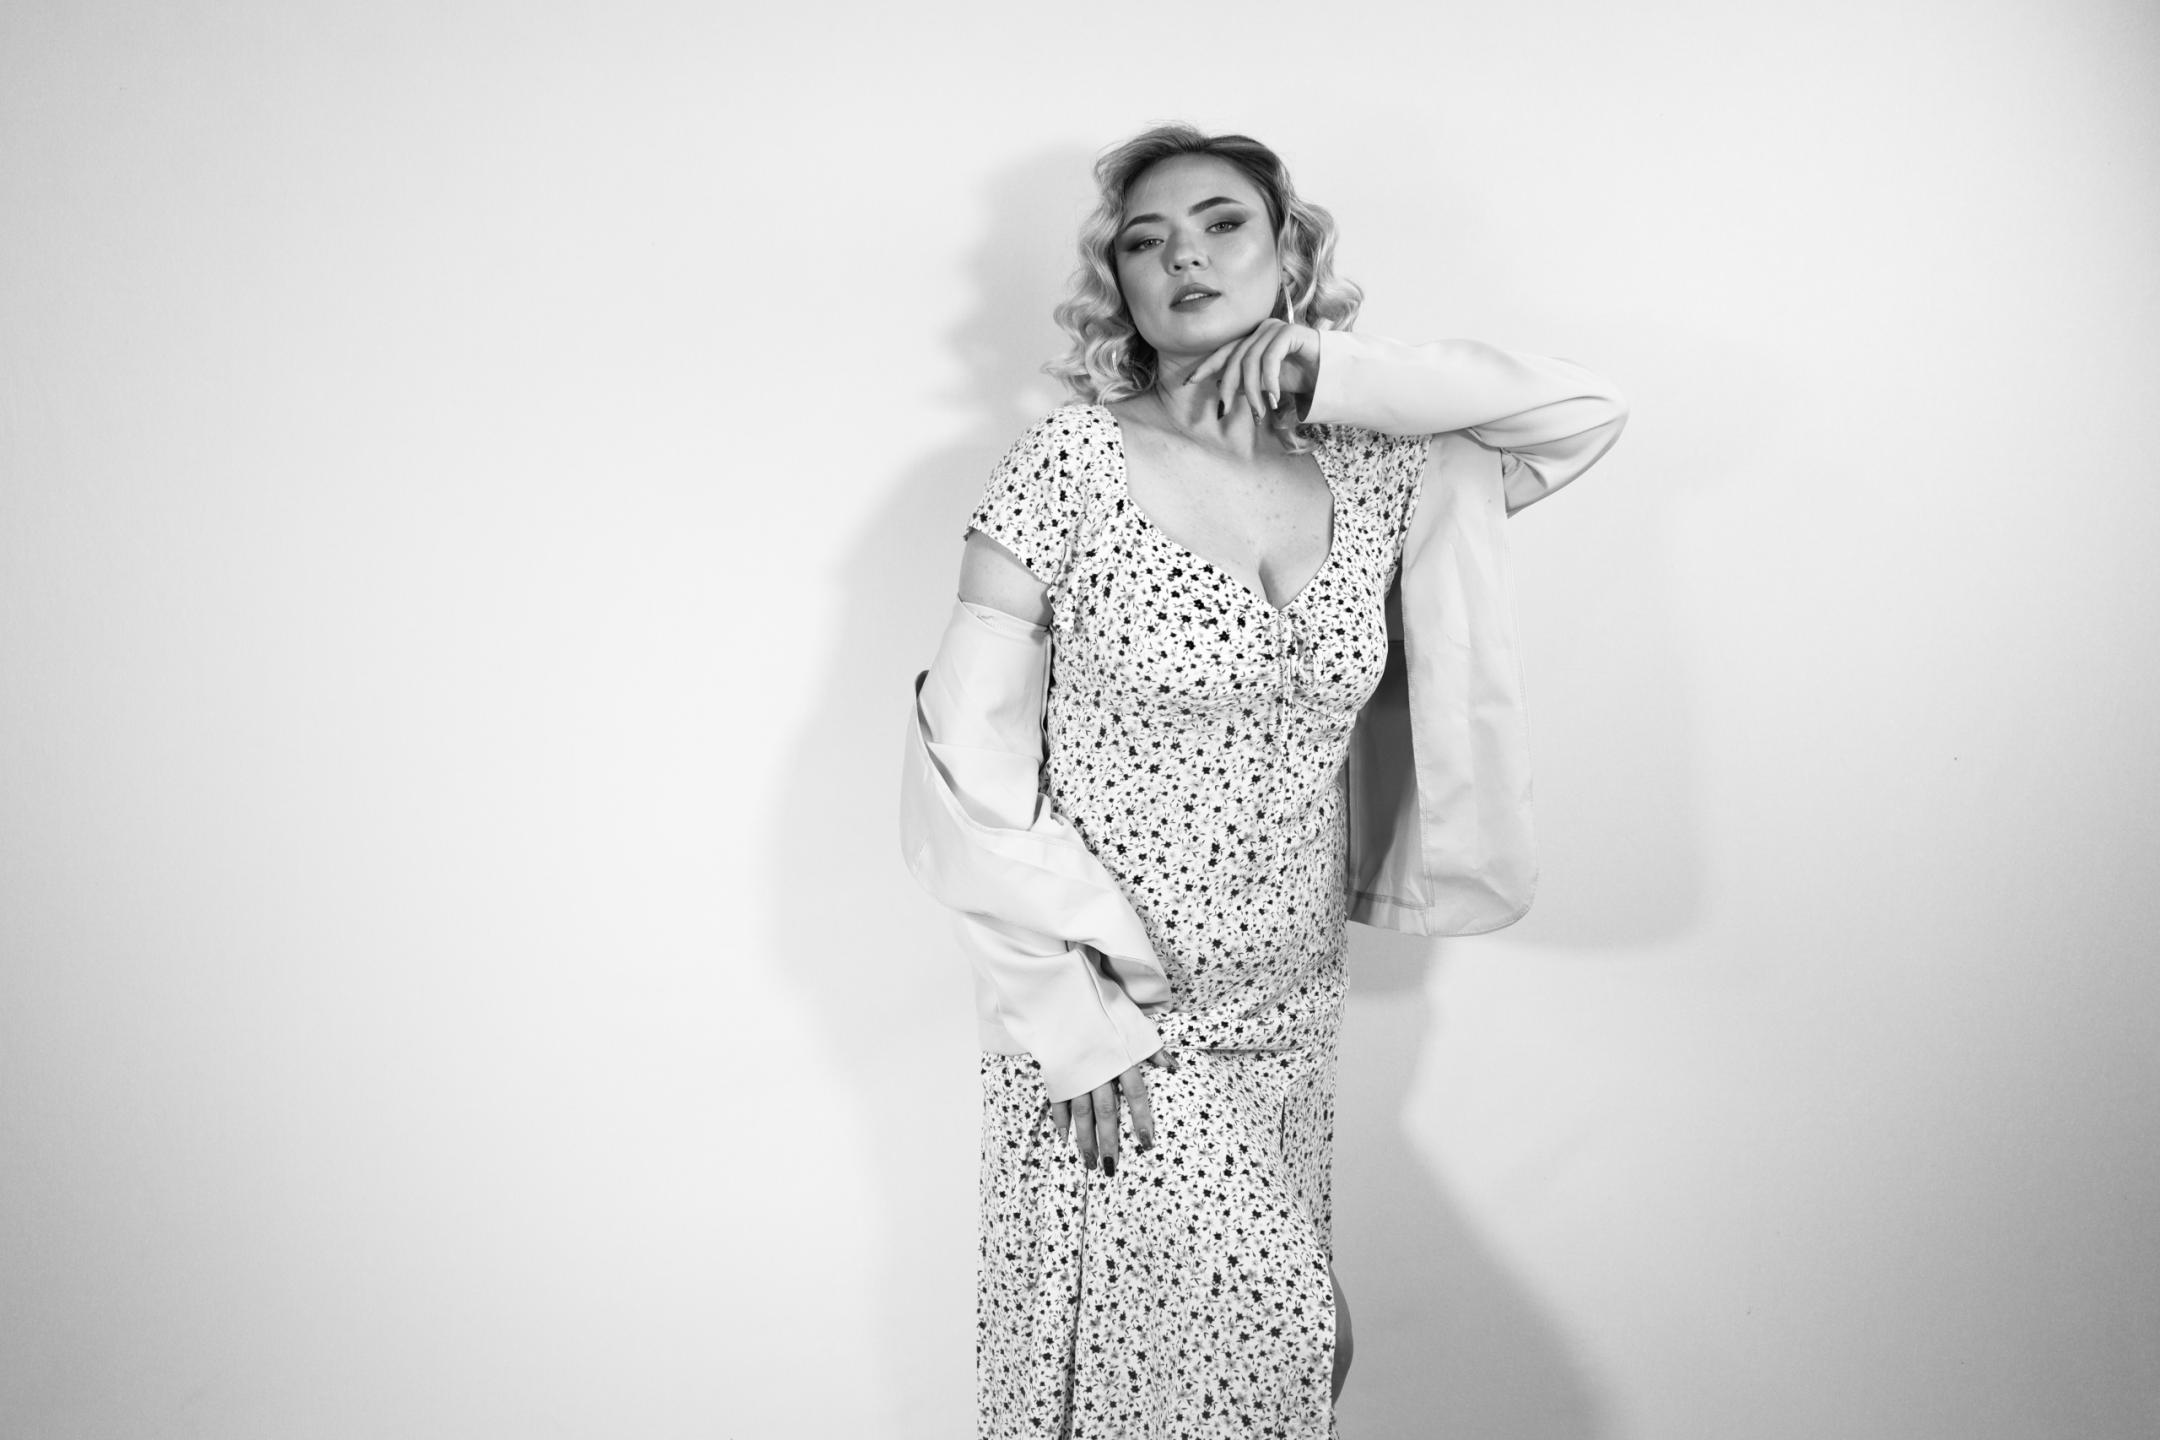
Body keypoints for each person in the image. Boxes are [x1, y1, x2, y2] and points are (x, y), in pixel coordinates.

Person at [900, 123, 1628, 1438]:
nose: (1184, 255)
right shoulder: (1071, 463)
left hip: (1289, 1002)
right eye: (1146, 241)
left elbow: (1582, 416)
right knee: (1255, 1340)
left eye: (1222, 223)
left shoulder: (1384, 465)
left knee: (1245, 1385)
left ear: (1288, 252)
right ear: (1118, 285)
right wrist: (1065, 1014)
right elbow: (964, 753)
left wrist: (1327, 368)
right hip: (1116, 998)